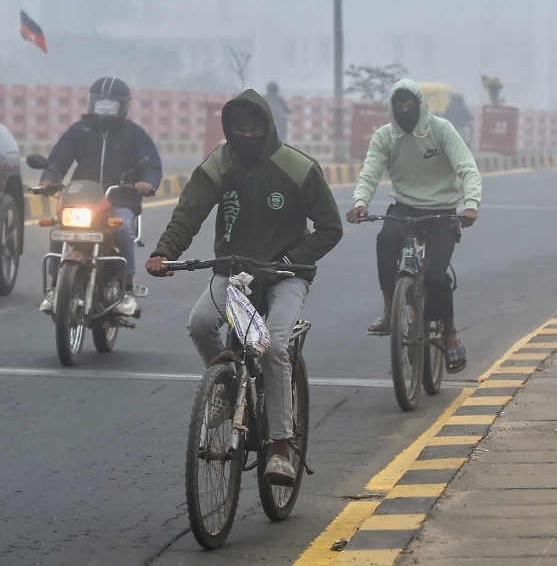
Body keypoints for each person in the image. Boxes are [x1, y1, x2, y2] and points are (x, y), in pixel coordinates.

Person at [145, 89, 342, 485]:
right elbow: (189, 213)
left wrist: (291, 260)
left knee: (273, 346)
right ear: (229, 129)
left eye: (255, 127)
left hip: (286, 275)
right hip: (233, 273)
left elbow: (330, 228)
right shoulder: (219, 165)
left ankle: (282, 445)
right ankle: (225, 387)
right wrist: (165, 251)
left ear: (267, 126)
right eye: (239, 128)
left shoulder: (296, 167)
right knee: (200, 324)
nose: (247, 134)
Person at [345, 78, 481, 374]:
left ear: (419, 105)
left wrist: (470, 205)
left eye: (410, 105)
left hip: (442, 210)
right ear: (393, 108)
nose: (405, 110)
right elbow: (370, 171)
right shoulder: (385, 136)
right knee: (386, 240)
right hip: (405, 205)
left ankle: (451, 333)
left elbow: (467, 167)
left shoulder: (441, 129)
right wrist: (360, 201)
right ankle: (388, 310)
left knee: (435, 275)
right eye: (399, 105)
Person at [38, 76, 162, 316]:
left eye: (110, 104)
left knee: (124, 229)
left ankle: (126, 291)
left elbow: (150, 163)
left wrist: (148, 182)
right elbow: (59, 158)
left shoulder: (134, 134)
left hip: (119, 199)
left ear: (122, 105)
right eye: (100, 103)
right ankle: (55, 287)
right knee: (59, 229)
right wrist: (49, 177)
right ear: (91, 102)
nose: (104, 108)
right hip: (83, 199)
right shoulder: (80, 130)